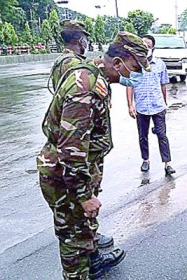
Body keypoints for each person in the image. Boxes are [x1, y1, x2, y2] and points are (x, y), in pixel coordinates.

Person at [37, 31, 151, 280]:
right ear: (118, 62)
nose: (136, 74)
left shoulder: (94, 77)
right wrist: (84, 195)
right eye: (135, 67)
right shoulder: (86, 87)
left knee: (83, 231)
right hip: (66, 177)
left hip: (75, 174)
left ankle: (91, 267)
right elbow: (71, 149)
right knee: (73, 239)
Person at [47, 19, 114, 250]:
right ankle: (90, 242)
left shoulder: (60, 61)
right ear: (79, 40)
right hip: (78, 142)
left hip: (72, 135)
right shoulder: (75, 66)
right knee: (80, 206)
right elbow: (76, 117)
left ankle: (88, 240)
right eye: (85, 38)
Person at [126, 34, 176, 175]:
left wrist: (165, 104)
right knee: (143, 135)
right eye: (142, 46)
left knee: (162, 135)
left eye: (147, 46)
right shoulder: (134, 66)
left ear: (153, 47)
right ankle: (145, 160)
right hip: (141, 106)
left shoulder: (160, 64)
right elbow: (129, 86)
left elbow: (163, 85)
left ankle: (167, 164)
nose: (145, 48)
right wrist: (130, 105)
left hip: (157, 106)